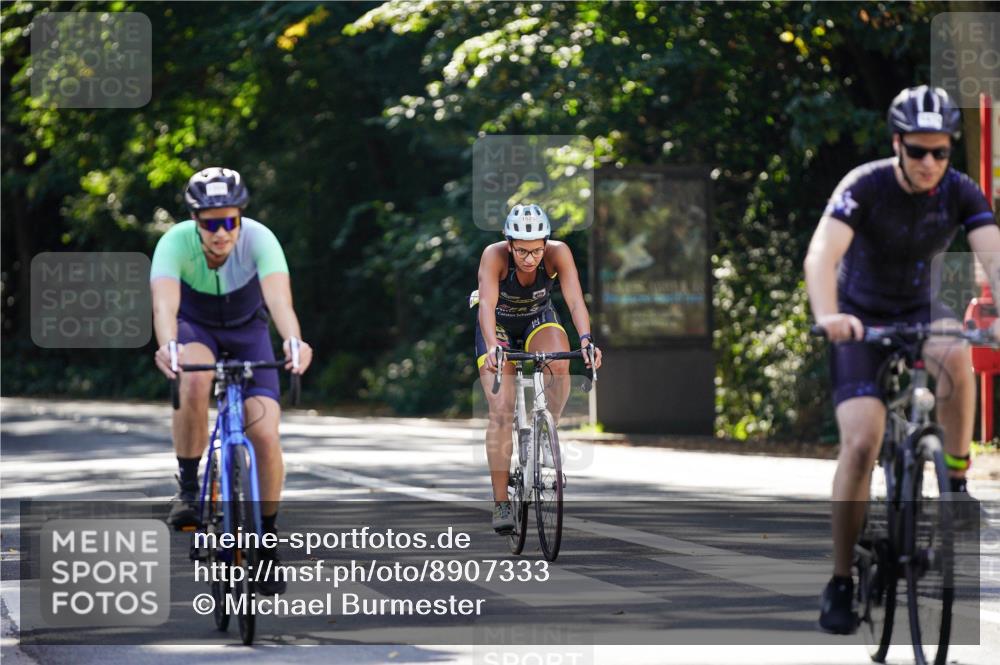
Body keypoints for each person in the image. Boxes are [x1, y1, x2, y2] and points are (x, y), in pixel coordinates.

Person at [803, 86, 999, 634]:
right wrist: (829, 315)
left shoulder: (960, 191)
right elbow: (822, 253)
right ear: (898, 145)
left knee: (954, 348)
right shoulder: (864, 186)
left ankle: (956, 482)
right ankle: (842, 579)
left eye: (941, 151)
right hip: (859, 318)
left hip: (919, 310)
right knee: (862, 442)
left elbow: (993, 254)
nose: (930, 163)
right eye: (918, 151)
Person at [150, 167, 313, 595]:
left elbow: (280, 302)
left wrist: (294, 342)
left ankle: (267, 537)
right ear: (194, 221)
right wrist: (168, 346)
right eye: (210, 223)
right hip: (196, 329)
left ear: (240, 217)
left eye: (229, 221)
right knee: (194, 380)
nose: (221, 232)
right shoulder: (173, 244)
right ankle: (188, 488)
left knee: (265, 436)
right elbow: (165, 308)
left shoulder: (261, 239)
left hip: (248, 332)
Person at [473, 204, 602, 533]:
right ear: (509, 242)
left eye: (536, 250)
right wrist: (492, 346)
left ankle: (547, 432)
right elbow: (486, 304)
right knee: (501, 409)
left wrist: (586, 340)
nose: (530, 258)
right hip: (498, 327)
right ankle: (501, 501)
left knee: (559, 361)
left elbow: (574, 300)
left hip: (537, 319)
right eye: (522, 250)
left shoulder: (558, 253)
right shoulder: (495, 256)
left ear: (546, 242)